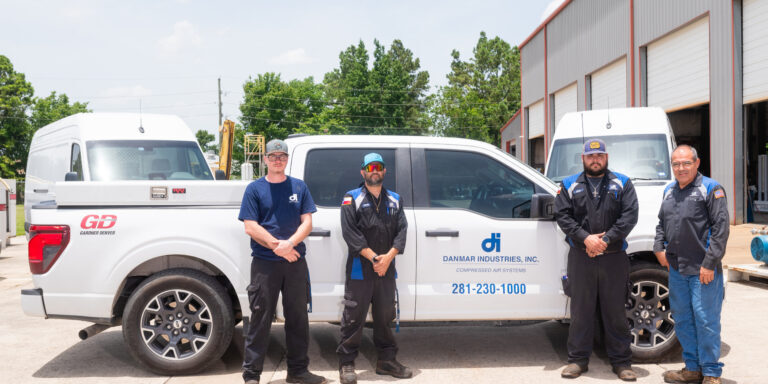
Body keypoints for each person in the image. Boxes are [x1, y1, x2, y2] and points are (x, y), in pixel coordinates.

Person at [239, 139, 326, 384]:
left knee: (298, 317)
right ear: (265, 160)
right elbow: (250, 226)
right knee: (260, 317)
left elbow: (307, 222)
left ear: (287, 160)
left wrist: (289, 244)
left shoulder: (299, 187)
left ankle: (298, 371)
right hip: (265, 264)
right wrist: (279, 247)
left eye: (282, 156)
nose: (278, 160)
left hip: (295, 261)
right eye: (273, 156)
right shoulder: (254, 189)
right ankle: (252, 374)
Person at [554, 138, 639, 381]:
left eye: (599, 155)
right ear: (583, 158)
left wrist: (605, 240)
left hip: (613, 257)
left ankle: (622, 363)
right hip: (581, 258)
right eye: (590, 156)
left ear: (606, 157)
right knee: (581, 311)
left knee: (615, 312)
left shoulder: (622, 182)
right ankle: (577, 361)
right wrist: (586, 239)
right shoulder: (569, 184)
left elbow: (629, 215)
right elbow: (563, 216)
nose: (595, 159)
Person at [654, 145, 729, 384]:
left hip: (702, 270)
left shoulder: (711, 189)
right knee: (683, 319)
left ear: (697, 163)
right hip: (677, 269)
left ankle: (711, 373)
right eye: (676, 164)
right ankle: (693, 368)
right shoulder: (668, 190)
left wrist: (709, 263)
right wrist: (658, 248)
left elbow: (720, 229)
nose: (681, 168)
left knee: (705, 320)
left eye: (686, 163)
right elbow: (660, 223)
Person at [336, 153, 411, 384]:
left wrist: (387, 258)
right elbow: (350, 233)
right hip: (361, 268)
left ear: (384, 171)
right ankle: (347, 364)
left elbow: (402, 230)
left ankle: (386, 361)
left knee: (385, 315)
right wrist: (374, 258)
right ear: (363, 172)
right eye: (370, 167)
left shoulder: (395, 199)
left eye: (378, 167)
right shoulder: (352, 198)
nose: (374, 170)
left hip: (386, 268)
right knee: (353, 317)